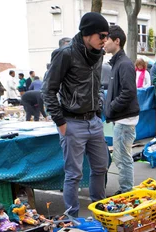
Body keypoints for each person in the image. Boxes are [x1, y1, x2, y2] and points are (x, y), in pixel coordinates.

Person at [42, 11, 110, 217]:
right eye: (102, 36)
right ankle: (72, 217)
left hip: (94, 121)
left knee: (101, 167)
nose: (105, 40)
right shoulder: (66, 54)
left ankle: (100, 211)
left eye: (107, 36)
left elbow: (96, 85)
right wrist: (60, 122)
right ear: (88, 34)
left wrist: (98, 111)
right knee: (74, 174)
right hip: (72, 122)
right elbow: (48, 90)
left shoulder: (99, 54)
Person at [104, 25, 140, 195]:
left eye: (107, 39)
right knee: (121, 156)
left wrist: (111, 107)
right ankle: (126, 189)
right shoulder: (118, 63)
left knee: (122, 157)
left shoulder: (124, 64)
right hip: (122, 118)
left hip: (125, 119)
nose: (104, 43)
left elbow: (128, 92)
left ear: (117, 41)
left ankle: (126, 191)